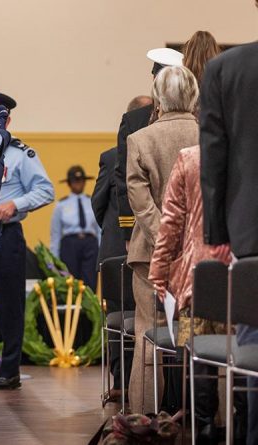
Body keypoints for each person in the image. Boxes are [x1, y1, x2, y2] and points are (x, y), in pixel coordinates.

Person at [148, 145, 247, 443]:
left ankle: (202, 431)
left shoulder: (188, 157)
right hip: (241, 277)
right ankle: (242, 430)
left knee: (195, 355)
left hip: (196, 280)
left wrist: (159, 270)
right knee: (244, 358)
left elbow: (170, 221)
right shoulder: (247, 153)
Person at [126, 65, 199, 414]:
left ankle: (144, 417)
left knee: (149, 334)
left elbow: (141, 204)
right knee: (194, 332)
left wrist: (165, 241)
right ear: (194, 96)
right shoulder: (211, 137)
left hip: (150, 256)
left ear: (157, 99)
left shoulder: (139, 139)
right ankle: (201, 418)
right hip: (201, 255)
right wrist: (189, 242)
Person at [200, 5, 258, 440]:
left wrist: (218, 235)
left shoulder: (226, 69)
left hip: (251, 229)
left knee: (255, 345)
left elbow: (214, 161)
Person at [0, 90, 55, 392]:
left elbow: (45, 190)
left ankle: (9, 371)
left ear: (7, 120)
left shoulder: (20, 154)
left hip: (5, 234)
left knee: (9, 306)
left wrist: (16, 205)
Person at [92, 95, 151, 402]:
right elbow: (98, 202)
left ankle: (142, 383)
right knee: (118, 315)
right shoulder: (111, 155)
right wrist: (116, 232)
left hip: (137, 245)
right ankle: (121, 381)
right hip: (117, 248)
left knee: (140, 316)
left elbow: (97, 204)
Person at [115, 48, 184, 245]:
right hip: (144, 228)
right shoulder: (135, 120)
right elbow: (124, 176)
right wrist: (128, 230)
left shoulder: (194, 119)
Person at [51, 166, 101, 289]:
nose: (78, 183)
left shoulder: (92, 202)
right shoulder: (61, 205)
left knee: (90, 282)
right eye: (74, 181)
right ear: (69, 183)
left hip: (90, 243)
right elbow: (55, 234)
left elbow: (99, 229)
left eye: (81, 180)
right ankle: (72, 308)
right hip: (70, 245)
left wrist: (101, 251)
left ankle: (89, 308)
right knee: (70, 282)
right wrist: (54, 260)